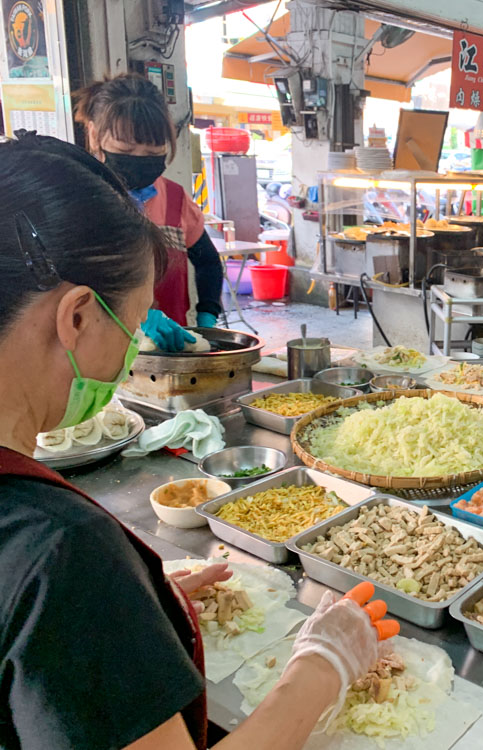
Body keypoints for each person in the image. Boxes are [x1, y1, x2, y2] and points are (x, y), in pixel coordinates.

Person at [0, 133, 397, 749]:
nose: (135, 349)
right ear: (76, 316)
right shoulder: (60, 549)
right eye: (133, 327)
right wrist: (324, 667)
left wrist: (134, 614)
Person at [74, 74, 224, 352]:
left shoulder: (175, 200)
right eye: (126, 150)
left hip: (172, 352)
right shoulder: (76, 200)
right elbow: (62, 286)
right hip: (99, 355)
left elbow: (208, 263)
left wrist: (207, 319)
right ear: (95, 135)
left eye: (153, 152)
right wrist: (134, 316)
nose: (140, 161)